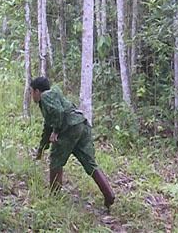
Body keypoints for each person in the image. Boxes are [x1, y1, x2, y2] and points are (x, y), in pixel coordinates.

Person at [31, 76, 115, 208]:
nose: (32, 96)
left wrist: (56, 131)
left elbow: (58, 113)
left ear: (37, 91)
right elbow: (48, 126)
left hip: (69, 128)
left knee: (56, 161)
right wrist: (41, 149)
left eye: (32, 92)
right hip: (81, 124)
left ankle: (54, 198)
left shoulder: (46, 96)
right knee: (89, 163)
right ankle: (109, 195)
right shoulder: (52, 98)